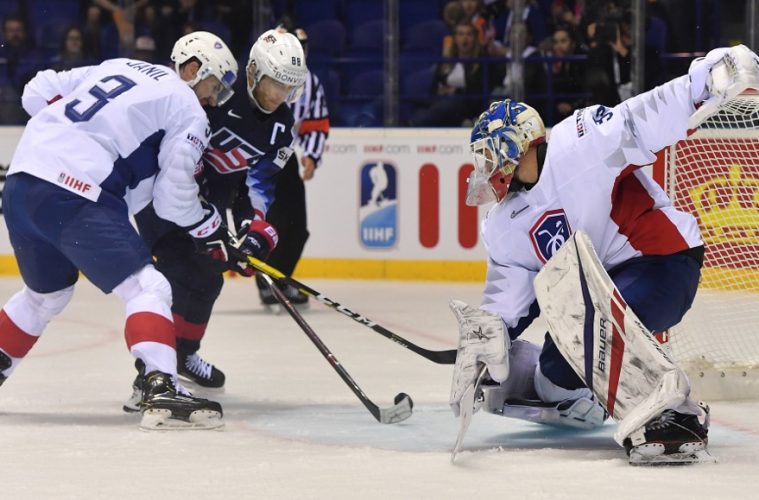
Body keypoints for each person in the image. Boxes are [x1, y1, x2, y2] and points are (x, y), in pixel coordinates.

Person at [448, 45, 756, 465]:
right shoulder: (503, 225)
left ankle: (674, 412)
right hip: (600, 296)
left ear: (516, 146)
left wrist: (705, 79)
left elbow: (645, 116)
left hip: (662, 264)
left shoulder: (582, 144)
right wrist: (487, 344)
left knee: (596, 334)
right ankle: (547, 381)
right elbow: (508, 301)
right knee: (556, 373)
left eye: (489, 156)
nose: (485, 169)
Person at [0, 31, 240, 430]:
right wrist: (210, 226)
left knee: (46, 297)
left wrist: (71, 136)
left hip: (23, 179)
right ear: (193, 68)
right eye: (214, 87)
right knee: (149, 288)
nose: (213, 99)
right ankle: (160, 384)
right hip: (75, 190)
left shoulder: (119, 66)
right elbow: (172, 198)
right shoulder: (188, 109)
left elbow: (36, 90)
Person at [125, 28, 307, 397]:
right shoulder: (217, 93)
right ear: (253, 72)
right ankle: (150, 372)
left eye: (288, 89)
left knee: (209, 279)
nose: (279, 96)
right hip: (164, 199)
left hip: (204, 208)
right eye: (274, 84)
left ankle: (183, 356)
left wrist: (251, 230)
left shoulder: (280, 129)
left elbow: (256, 184)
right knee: (176, 273)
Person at [255, 25, 330, 307]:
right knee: (269, 222)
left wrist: (311, 154)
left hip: (285, 157)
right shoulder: (259, 75)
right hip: (256, 159)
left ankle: (281, 279)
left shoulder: (310, 82)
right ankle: (266, 281)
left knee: (298, 227)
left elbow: (315, 123)